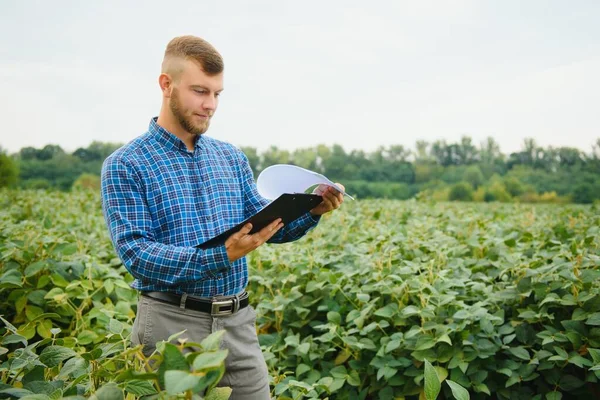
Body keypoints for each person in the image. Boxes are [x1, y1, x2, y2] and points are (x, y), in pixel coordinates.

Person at [100, 35, 345, 399]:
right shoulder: (126, 164)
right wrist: (221, 254)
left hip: (237, 323)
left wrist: (311, 210)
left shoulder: (230, 157)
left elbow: (265, 227)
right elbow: (138, 255)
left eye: (217, 94)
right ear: (166, 85)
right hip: (172, 327)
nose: (210, 104)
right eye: (200, 91)